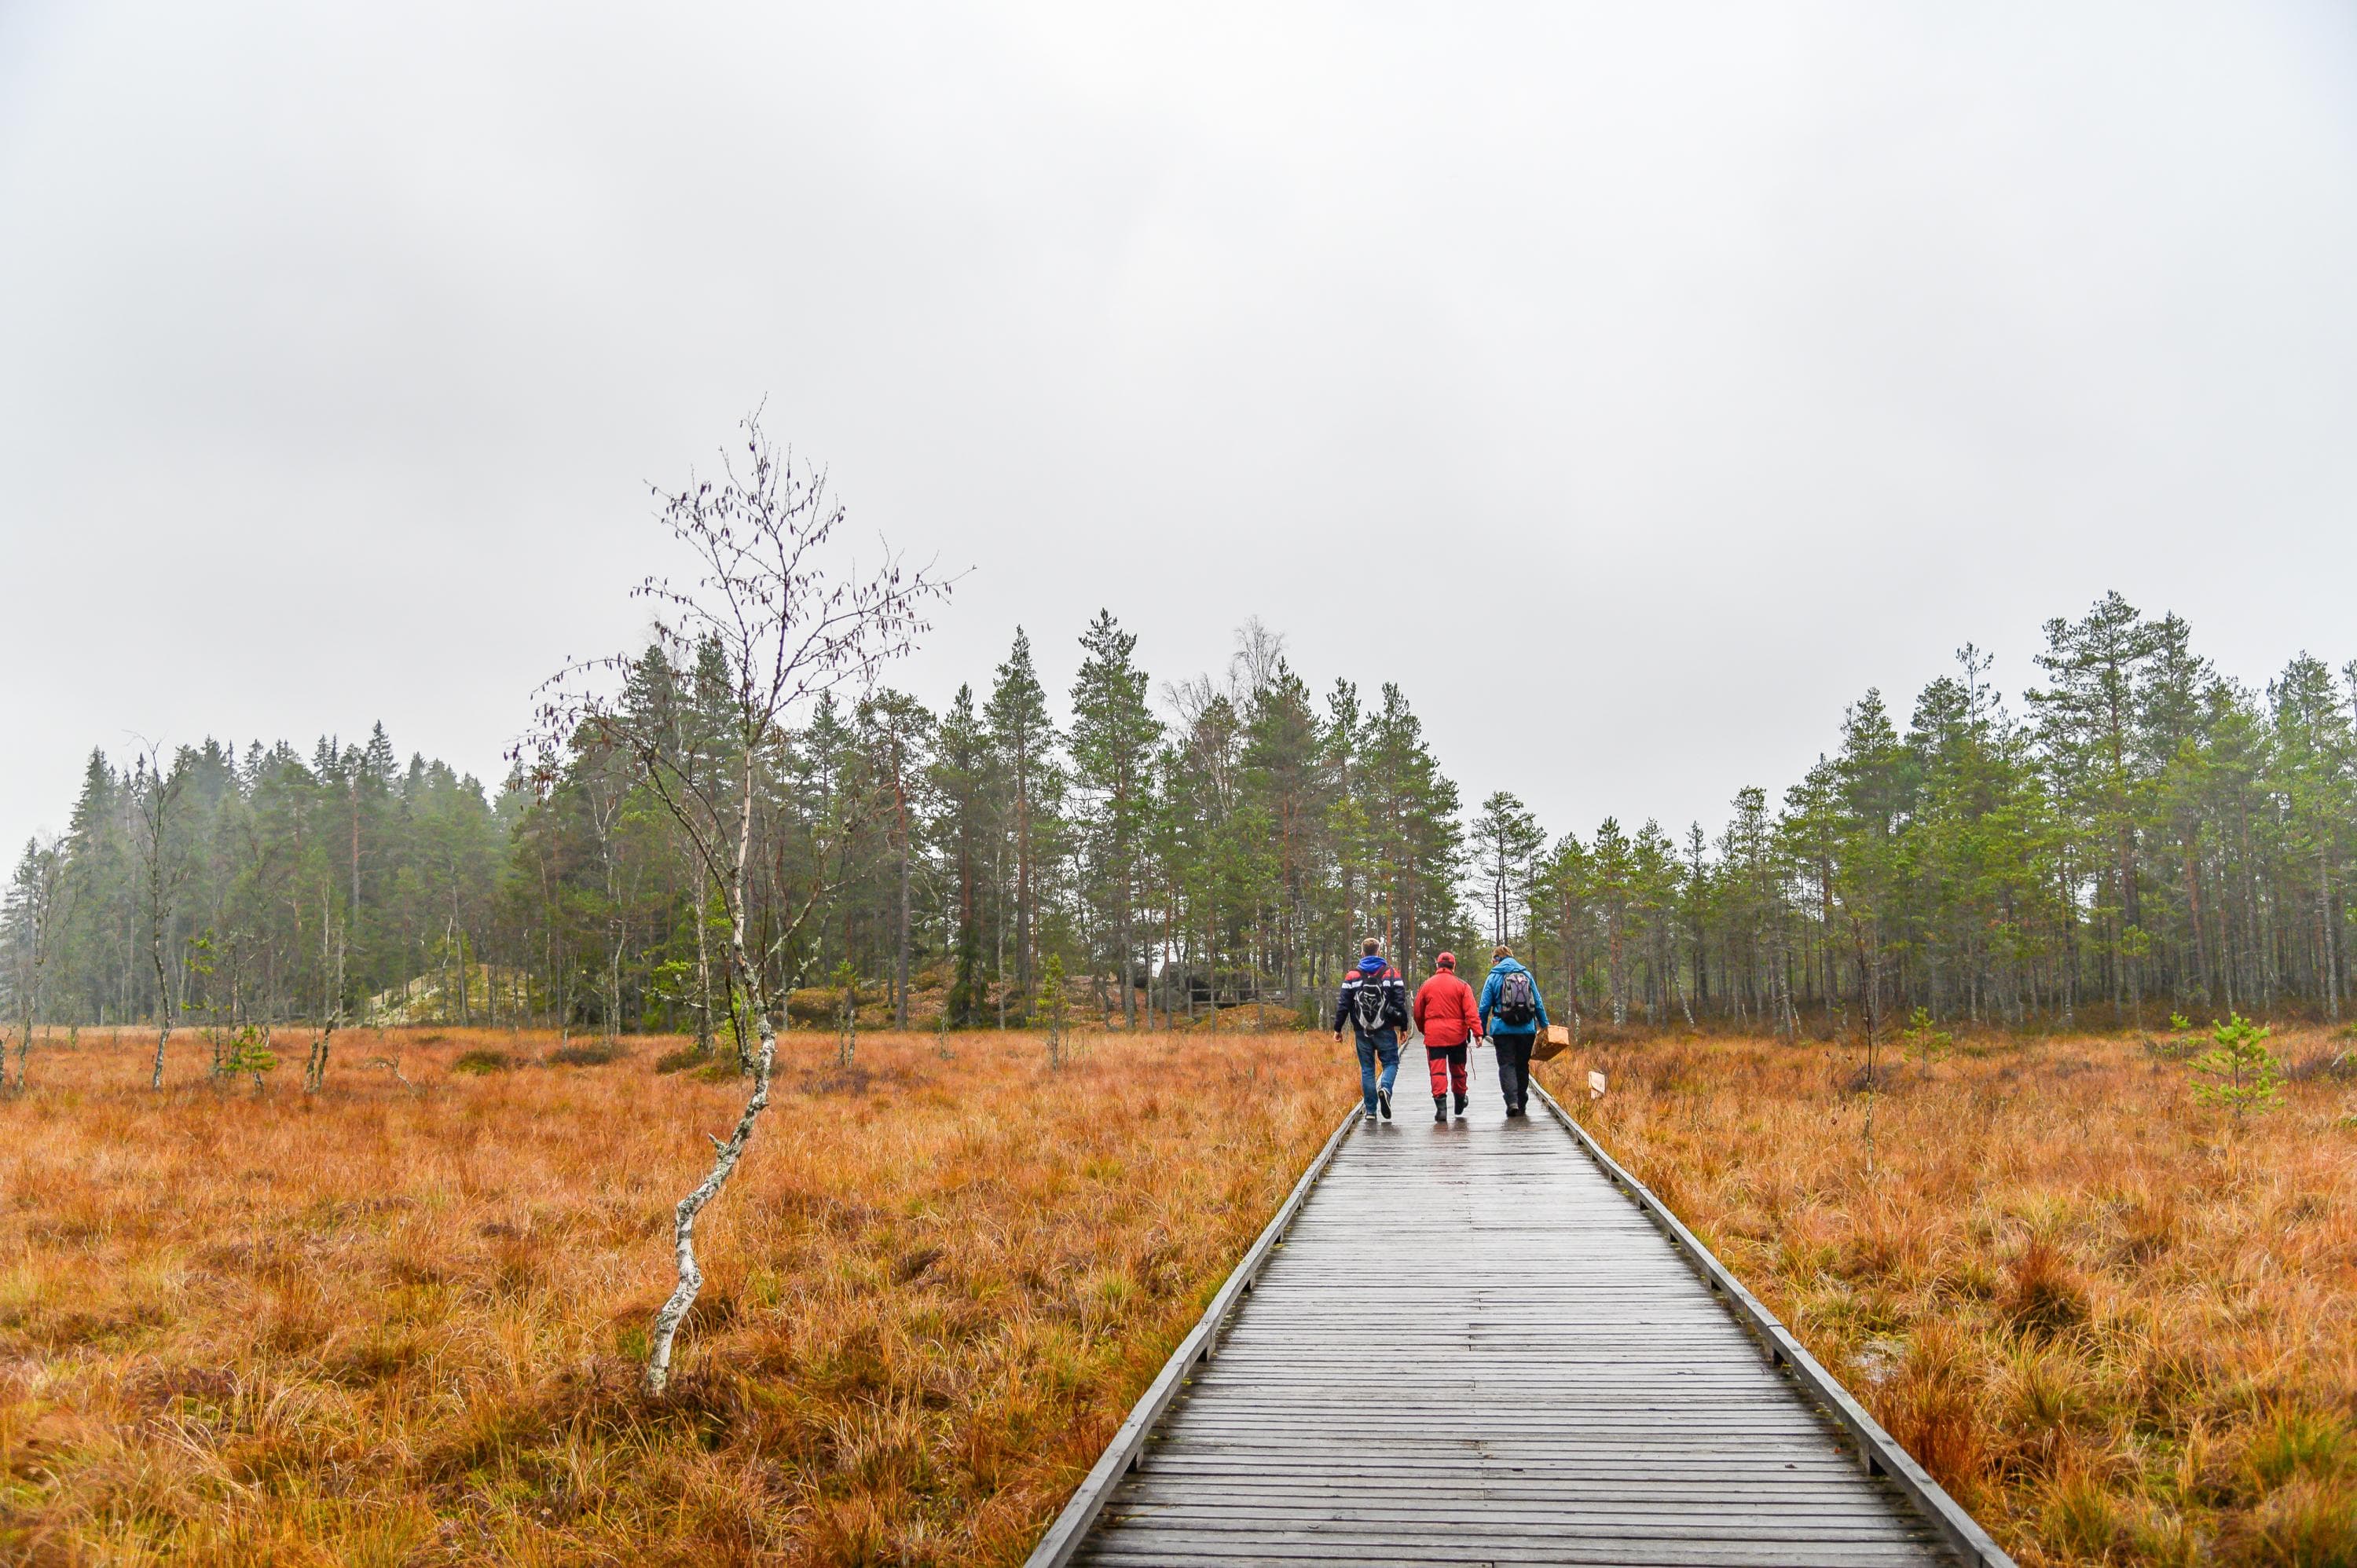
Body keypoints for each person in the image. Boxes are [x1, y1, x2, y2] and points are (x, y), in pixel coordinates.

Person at [1332, 936, 1410, 1123]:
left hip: (1362, 1030)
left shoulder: (1352, 976)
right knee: (1391, 1063)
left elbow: (1344, 1004)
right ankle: (1385, 1088)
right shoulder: (1392, 974)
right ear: (1379, 952)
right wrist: (1403, 1027)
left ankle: (1370, 1111)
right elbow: (1400, 1002)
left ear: (1362, 952)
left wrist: (1338, 1028)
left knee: (1367, 1068)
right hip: (1386, 1028)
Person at [1477, 944, 1549, 1117]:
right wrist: (1546, 1026)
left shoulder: (1493, 977)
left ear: (1497, 959)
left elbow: (1484, 1007)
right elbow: (1538, 1003)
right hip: (1526, 1030)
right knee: (1522, 1065)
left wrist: (1480, 1030)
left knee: (1507, 1064)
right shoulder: (1526, 974)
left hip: (1503, 1030)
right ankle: (1522, 1101)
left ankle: (1512, 1101)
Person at [1412, 951, 1482, 1122]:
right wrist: (1478, 1032)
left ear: (1438, 965)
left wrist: (1424, 1029)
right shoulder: (1462, 986)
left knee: (1437, 1071)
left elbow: (1417, 1012)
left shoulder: (1427, 985)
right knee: (1458, 1070)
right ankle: (1460, 1100)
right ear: (1453, 966)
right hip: (1458, 1036)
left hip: (1434, 1036)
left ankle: (1441, 1108)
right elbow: (1471, 1012)